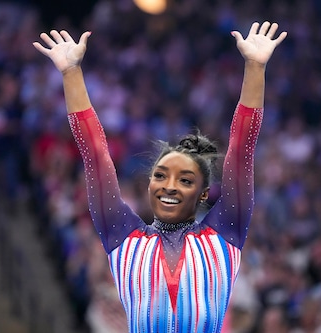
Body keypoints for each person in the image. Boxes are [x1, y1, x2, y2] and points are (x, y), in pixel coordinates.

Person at [33, 20, 286, 333]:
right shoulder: (123, 237)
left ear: (204, 194)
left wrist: (255, 67)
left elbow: (241, 149)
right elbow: (95, 156)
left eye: (185, 180)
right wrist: (71, 73)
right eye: (161, 176)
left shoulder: (225, 232)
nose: (169, 185)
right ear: (149, 185)